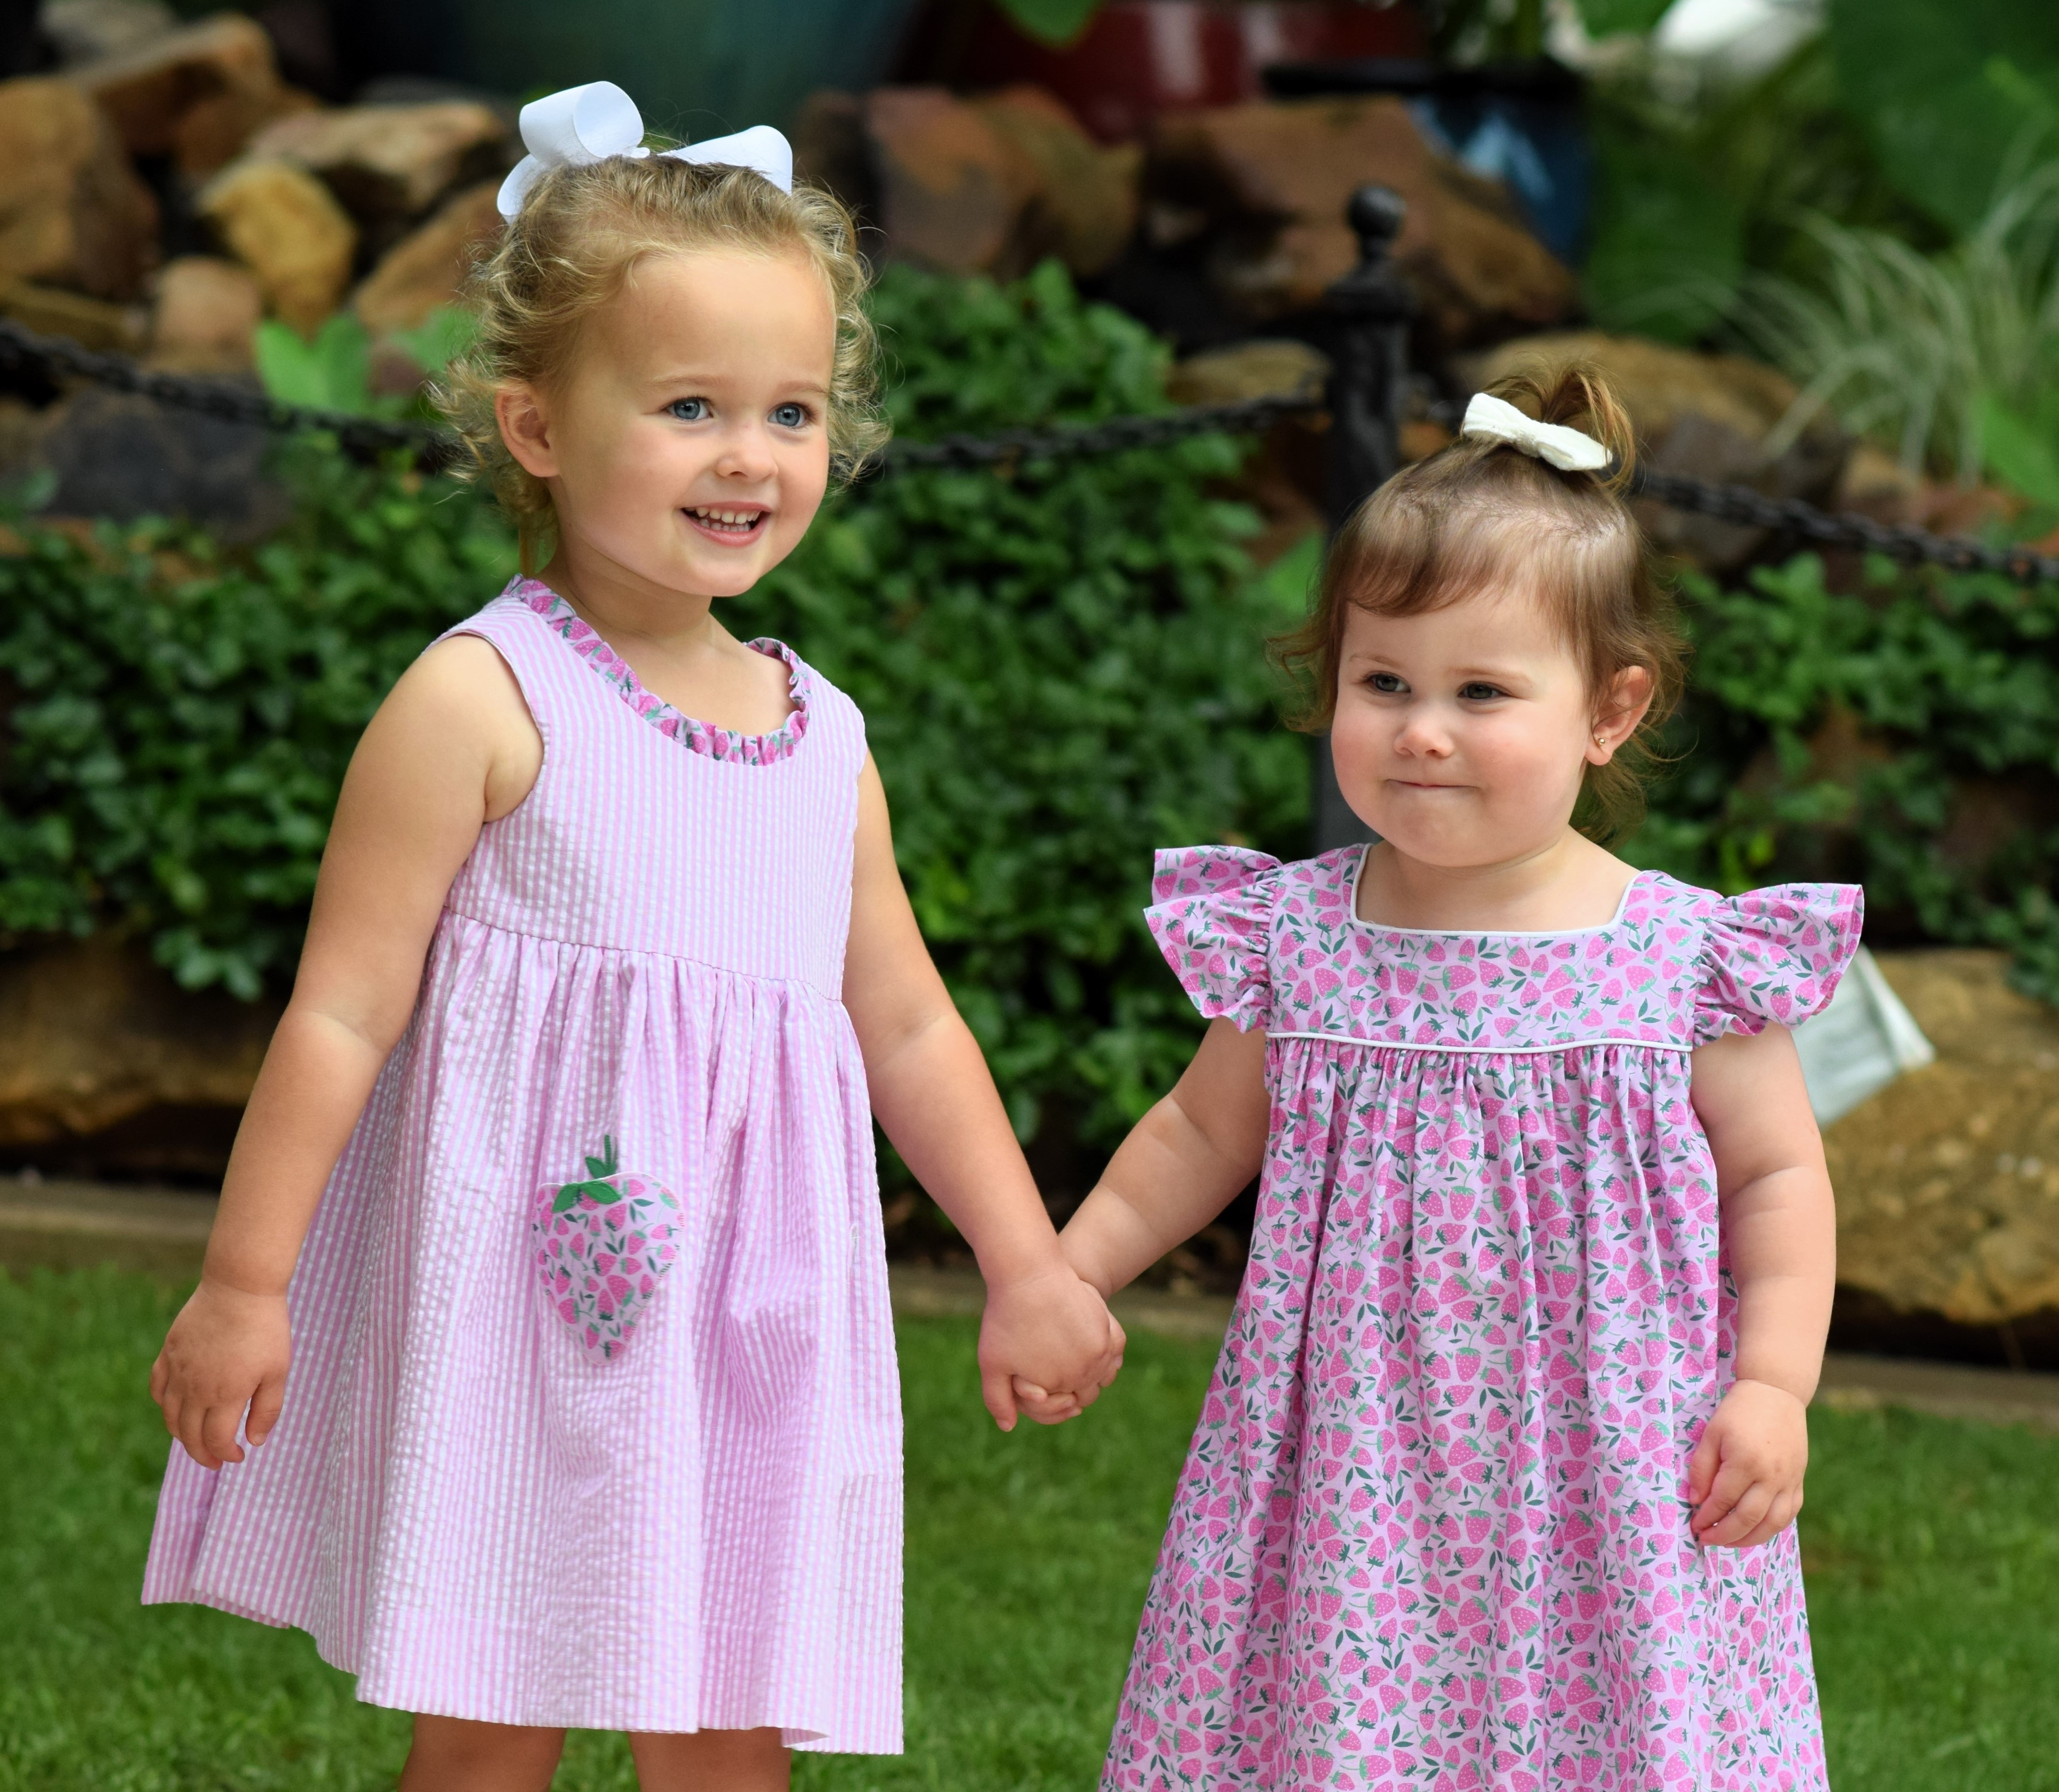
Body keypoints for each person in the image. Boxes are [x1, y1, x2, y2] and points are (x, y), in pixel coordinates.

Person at [142, 82, 1123, 1792]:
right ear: (537, 426)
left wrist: (1028, 1259)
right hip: (527, 1304)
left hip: (760, 1314)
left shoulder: (826, 736)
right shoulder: (483, 696)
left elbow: (905, 1024)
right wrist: (246, 1284)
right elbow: (341, 1014)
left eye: (792, 411)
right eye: (687, 406)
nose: (750, 455)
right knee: (494, 1706)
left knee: (734, 1722)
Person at [1056, 369, 1859, 1792]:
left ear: (1610, 709)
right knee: (1345, 1720)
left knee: (1607, 1730)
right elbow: (1198, 1127)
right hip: (1351, 1448)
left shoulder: (1681, 960)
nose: (1422, 728)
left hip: (1614, 1456)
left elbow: (1779, 1173)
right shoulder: (1303, 935)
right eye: (1384, 683)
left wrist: (1776, 1384)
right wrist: (1074, 1269)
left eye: (1481, 691)